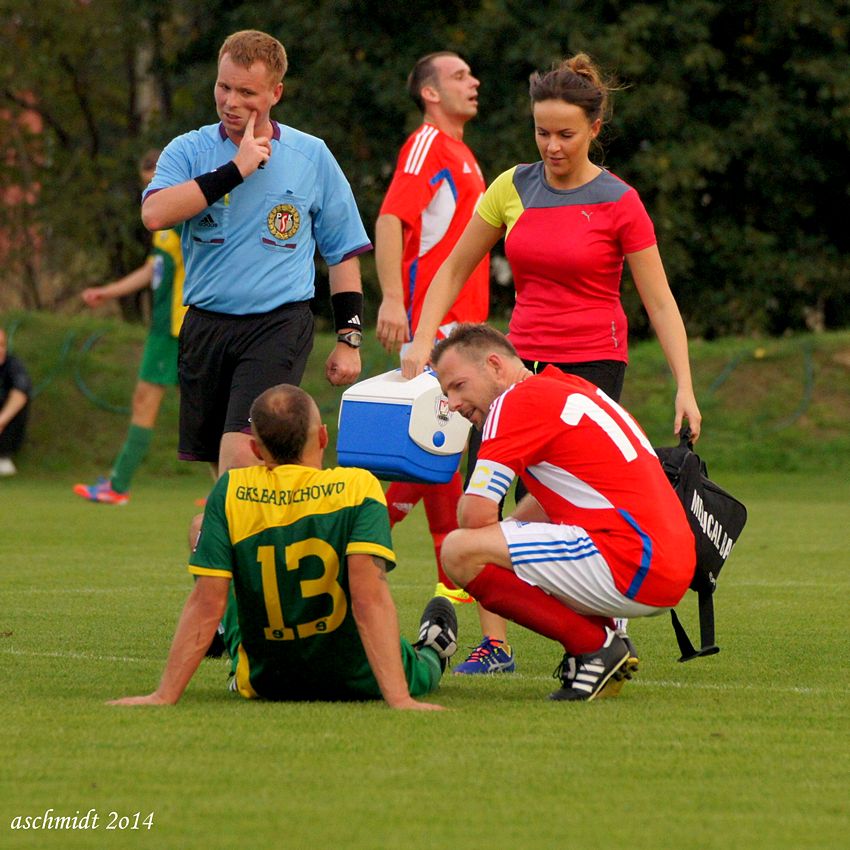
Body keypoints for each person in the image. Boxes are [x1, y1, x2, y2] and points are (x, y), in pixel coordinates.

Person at [401, 53, 702, 666]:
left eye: (566, 133)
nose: (552, 145)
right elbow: (452, 266)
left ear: (594, 128)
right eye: (542, 132)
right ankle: (495, 643)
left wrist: (684, 387)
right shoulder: (512, 186)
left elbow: (661, 304)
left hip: (591, 367)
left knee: (571, 505)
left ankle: (598, 638)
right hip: (512, 367)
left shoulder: (620, 200)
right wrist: (422, 343)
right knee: (489, 495)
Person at [109, 384, 459, 709]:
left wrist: (163, 695)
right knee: (423, 663)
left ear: (256, 449)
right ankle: (434, 647)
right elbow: (369, 599)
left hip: (269, 681)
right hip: (360, 678)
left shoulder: (232, 488)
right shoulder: (357, 486)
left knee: (203, 534)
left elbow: (206, 601)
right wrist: (399, 699)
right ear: (323, 437)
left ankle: (234, 653)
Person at [141, 30, 370, 478]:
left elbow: (342, 251)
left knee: (241, 459)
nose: (231, 101)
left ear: (275, 93)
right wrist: (235, 170)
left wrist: (349, 338)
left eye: (246, 92)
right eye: (224, 87)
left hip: (276, 324)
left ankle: (225, 543)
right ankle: (248, 542)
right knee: (223, 472)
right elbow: (154, 214)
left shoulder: (311, 155)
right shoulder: (188, 150)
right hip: (205, 323)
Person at [429, 325, 696, 701]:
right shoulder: (567, 387)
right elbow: (555, 498)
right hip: (666, 560)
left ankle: (596, 646)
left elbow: (474, 518)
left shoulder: (513, 402)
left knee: (459, 550)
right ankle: (608, 640)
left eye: (458, 385)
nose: (453, 403)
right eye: (446, 393)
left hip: (633, 558)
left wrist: (491, 545)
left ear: (494, 365)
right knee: (493, 544)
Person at [374, 52, 489, 614]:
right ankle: (355, 549)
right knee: (428, 454)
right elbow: (391, 218)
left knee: (438, 456)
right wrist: (395, 299)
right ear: (431, 93)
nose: (474, 83)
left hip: (463, 331)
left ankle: (448, 585)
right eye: (460, 76)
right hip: (434, 329)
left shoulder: (464, 153)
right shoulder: (427, 145)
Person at [73, 150, 186, 505]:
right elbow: (152, 269)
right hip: (164, 327)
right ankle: (119, 484)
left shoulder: (187, 215)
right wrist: (108, 291)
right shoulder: (164, 226)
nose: (152, 191)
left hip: (179, 328)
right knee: (162, 403)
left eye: (156, 182)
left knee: (197, 408)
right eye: (146, 185)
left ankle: (119, 485)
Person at [0, 326, 32, 477]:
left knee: (16, 403)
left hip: (4, 429)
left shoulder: (13, 365)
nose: (0, 350)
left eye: (2, 345)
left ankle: (3, 455)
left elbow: (21, 391)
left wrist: (1, 421)